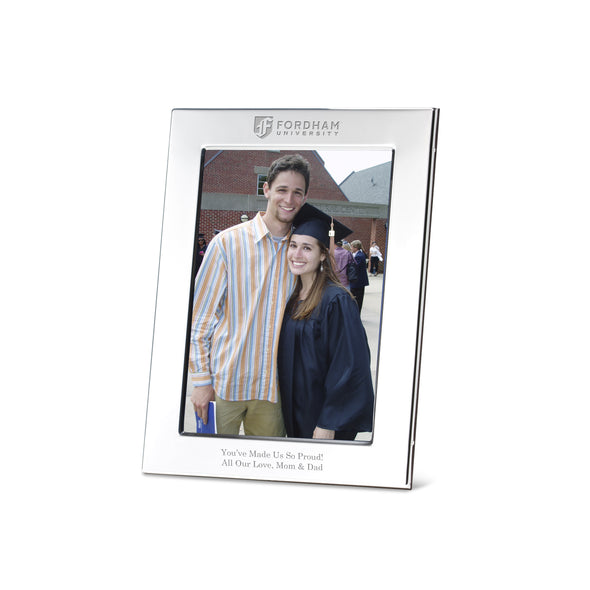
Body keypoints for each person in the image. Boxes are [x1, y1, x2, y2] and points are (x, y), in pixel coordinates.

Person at [189, 154, 310, 436]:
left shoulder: (301, 252)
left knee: (266, 461)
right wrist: (201, 381)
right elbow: (200, 318)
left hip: (272, 390)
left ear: (305, 197)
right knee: (216, 460)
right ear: (266, 189)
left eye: (297, 192)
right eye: (282, 189)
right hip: (224, 384)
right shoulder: (227, 243)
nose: (289, 199)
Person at [277, 204, 375, 440]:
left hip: (321, 419)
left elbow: (349, 365)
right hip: (296, 411)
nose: (296, 254)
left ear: (323, 254)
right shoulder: (293, 296)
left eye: (307, 248)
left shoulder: (336, 300)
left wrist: (328, 422)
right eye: (293, 245)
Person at [349, 240, 369, 312]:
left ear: (356, 247)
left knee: (357, 300)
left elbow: (354, 268)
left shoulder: (359, 256)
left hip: (358, 282)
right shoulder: (358, 255)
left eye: (351, 247)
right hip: (358, 282)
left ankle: (356, 314)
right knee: (356, 300)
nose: (351, 248)